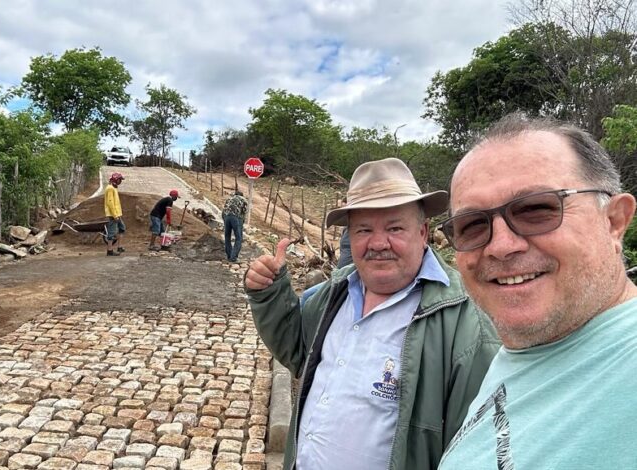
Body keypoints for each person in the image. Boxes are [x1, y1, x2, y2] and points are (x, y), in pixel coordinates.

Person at [244, 158, 501, 470]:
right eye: (364, 229)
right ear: (350, 237)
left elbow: (480, 449)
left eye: (394, 228)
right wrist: (269, 293)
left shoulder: (466, 323)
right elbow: (297, 350)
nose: (378, 243)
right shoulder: (334, 290)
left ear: (422, 233)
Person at [437, 115, 637, 469]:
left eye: (535, 209)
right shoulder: (523, 353)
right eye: (471, 225)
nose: (500, 246)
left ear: (614, 221)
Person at [222, 189, 249, 262]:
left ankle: (229, 255)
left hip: (226, 217)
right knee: (238, 238)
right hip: (235, 217)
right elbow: (243, 213)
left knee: (227, 237)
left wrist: (225, 221)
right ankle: (233, 257)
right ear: (241, 195)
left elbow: (223, 211)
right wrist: (241, 224)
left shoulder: (229, 199)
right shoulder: (243, 199)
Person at [104, 172, 126, 256]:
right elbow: (110, 203)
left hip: (117, 213)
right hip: (113, 214)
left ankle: (119, 247)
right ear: (116, 179)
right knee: (112, 232)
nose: (120, 181)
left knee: (122, 228)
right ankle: (109, 250)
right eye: (120, 180)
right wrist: (115, 215)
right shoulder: (110, 188)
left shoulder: (114, 188)